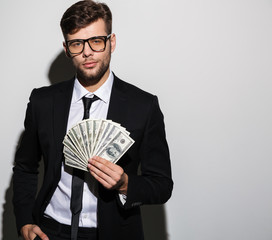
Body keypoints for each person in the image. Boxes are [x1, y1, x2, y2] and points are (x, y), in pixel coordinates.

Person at [12, 1, 173, 240]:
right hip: (51, 231)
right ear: (67, 49)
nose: (87, 52)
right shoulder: (42, 102)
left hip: (112, 232)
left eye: (96, 41)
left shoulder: (144, 106)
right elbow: (25, 167)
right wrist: (25, 220)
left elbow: (162, 185)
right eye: (77, 43)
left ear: (112, 42)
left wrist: (125, 183)